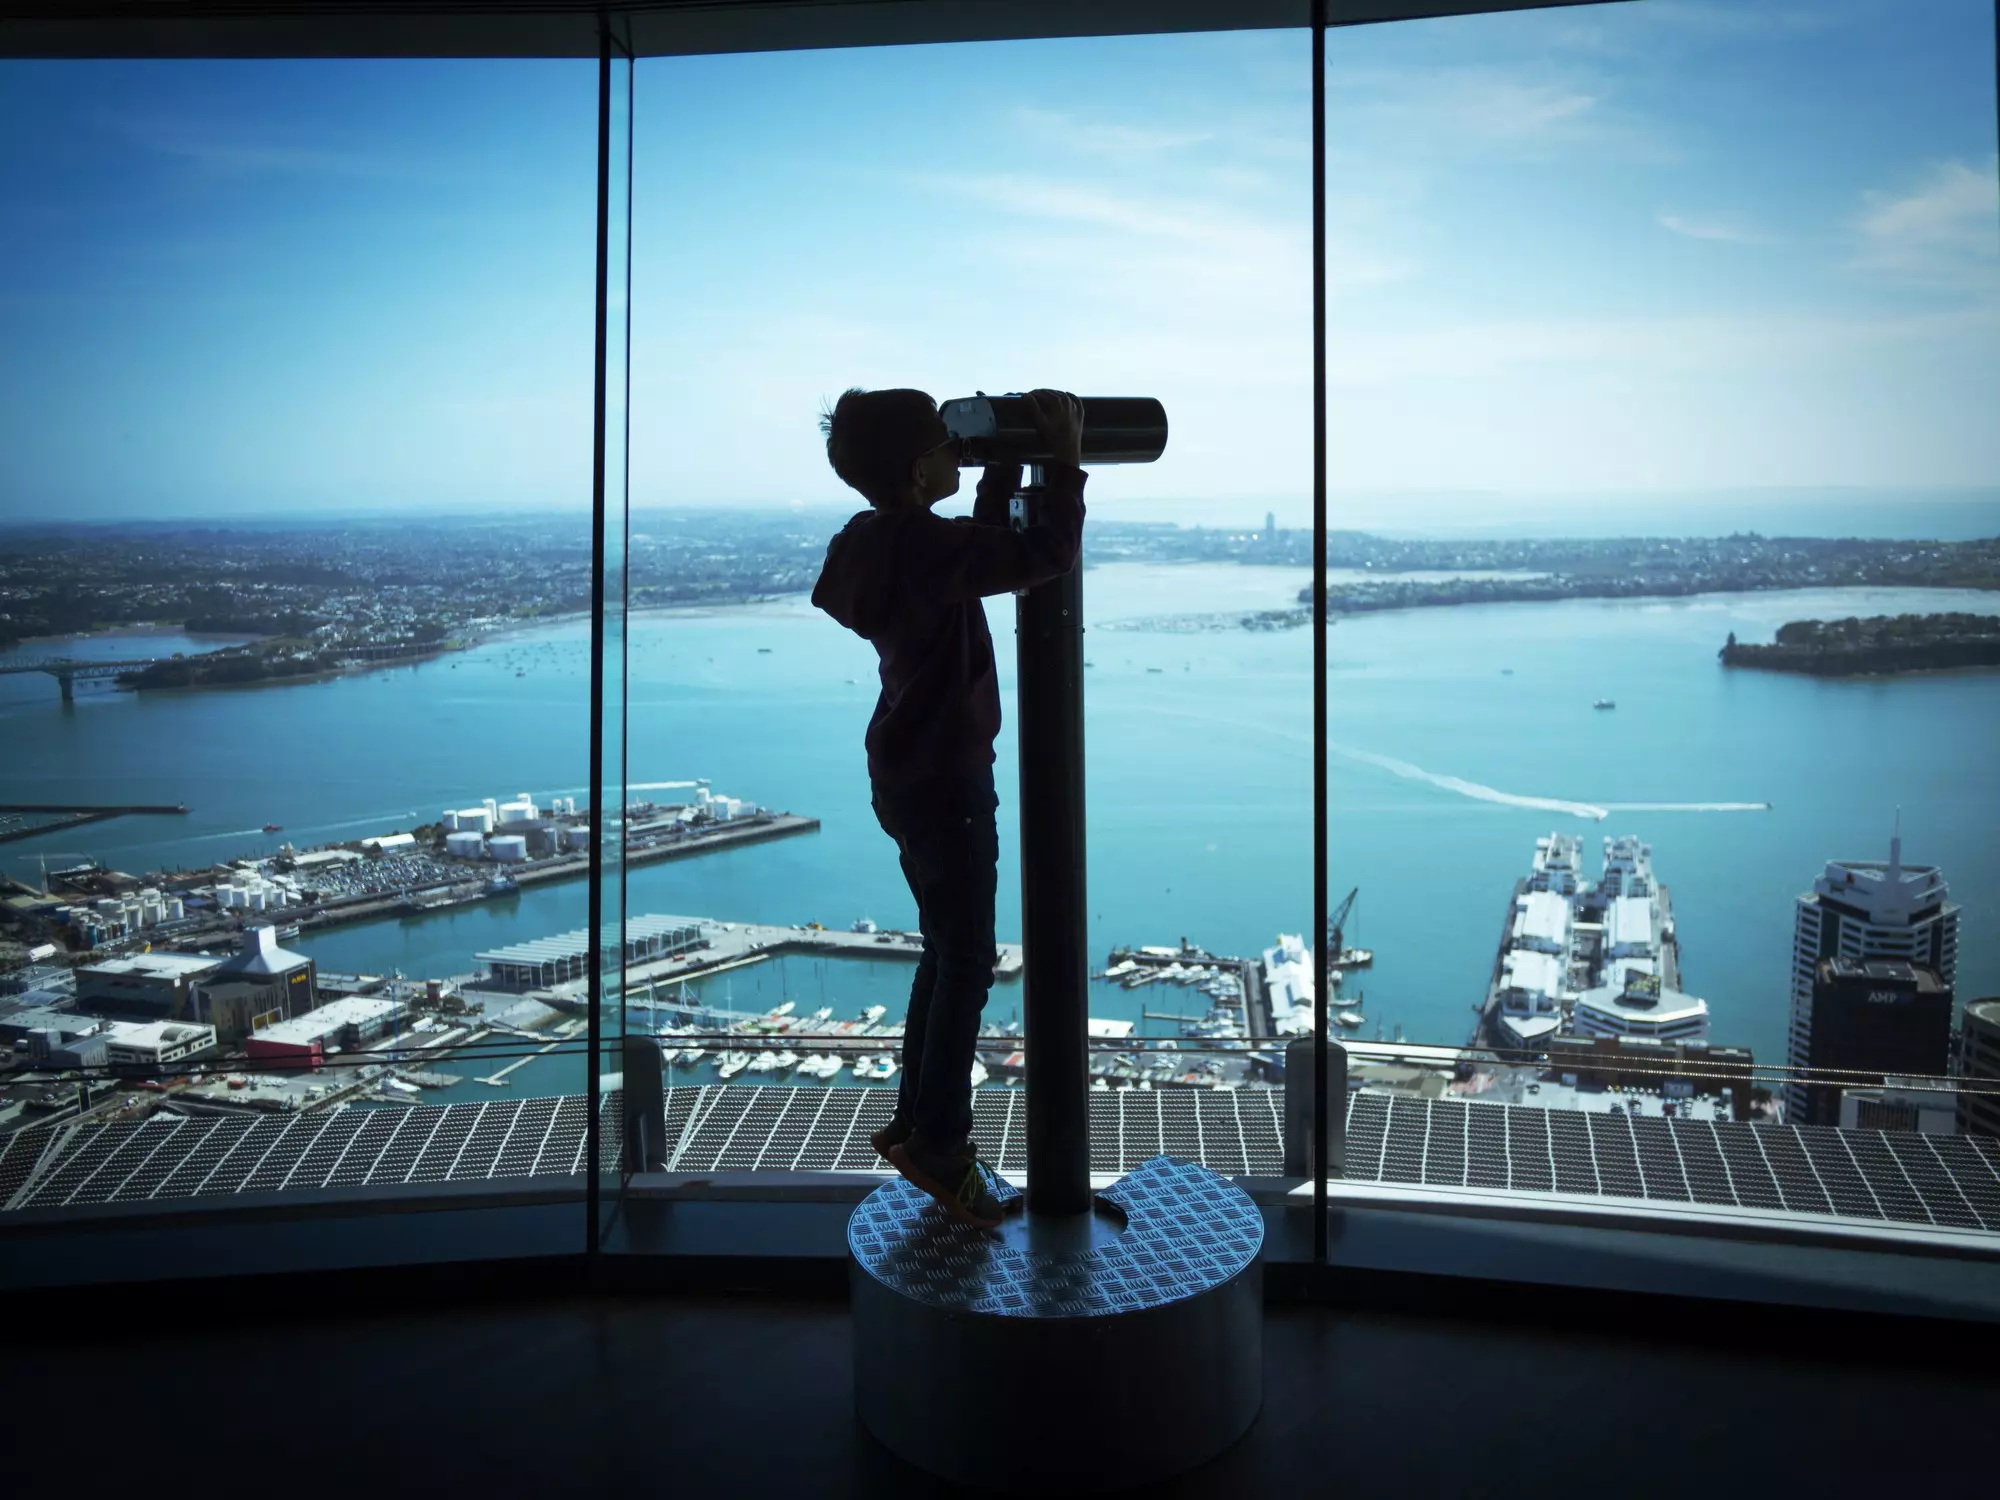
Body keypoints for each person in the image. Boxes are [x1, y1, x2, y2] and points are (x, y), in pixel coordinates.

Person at [811, 387, 1086, 1228]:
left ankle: (917, 1123)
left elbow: (978, 548)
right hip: (949, 778)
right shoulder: (924, 552)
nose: (952, 453)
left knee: (945, 952)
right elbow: (1039, 554)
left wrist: (999, 469)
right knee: (965, 961)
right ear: (918, 467)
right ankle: (940, 1142)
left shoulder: (870, 543)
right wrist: (1064, 457)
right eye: (945, 444)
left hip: (903, 774)